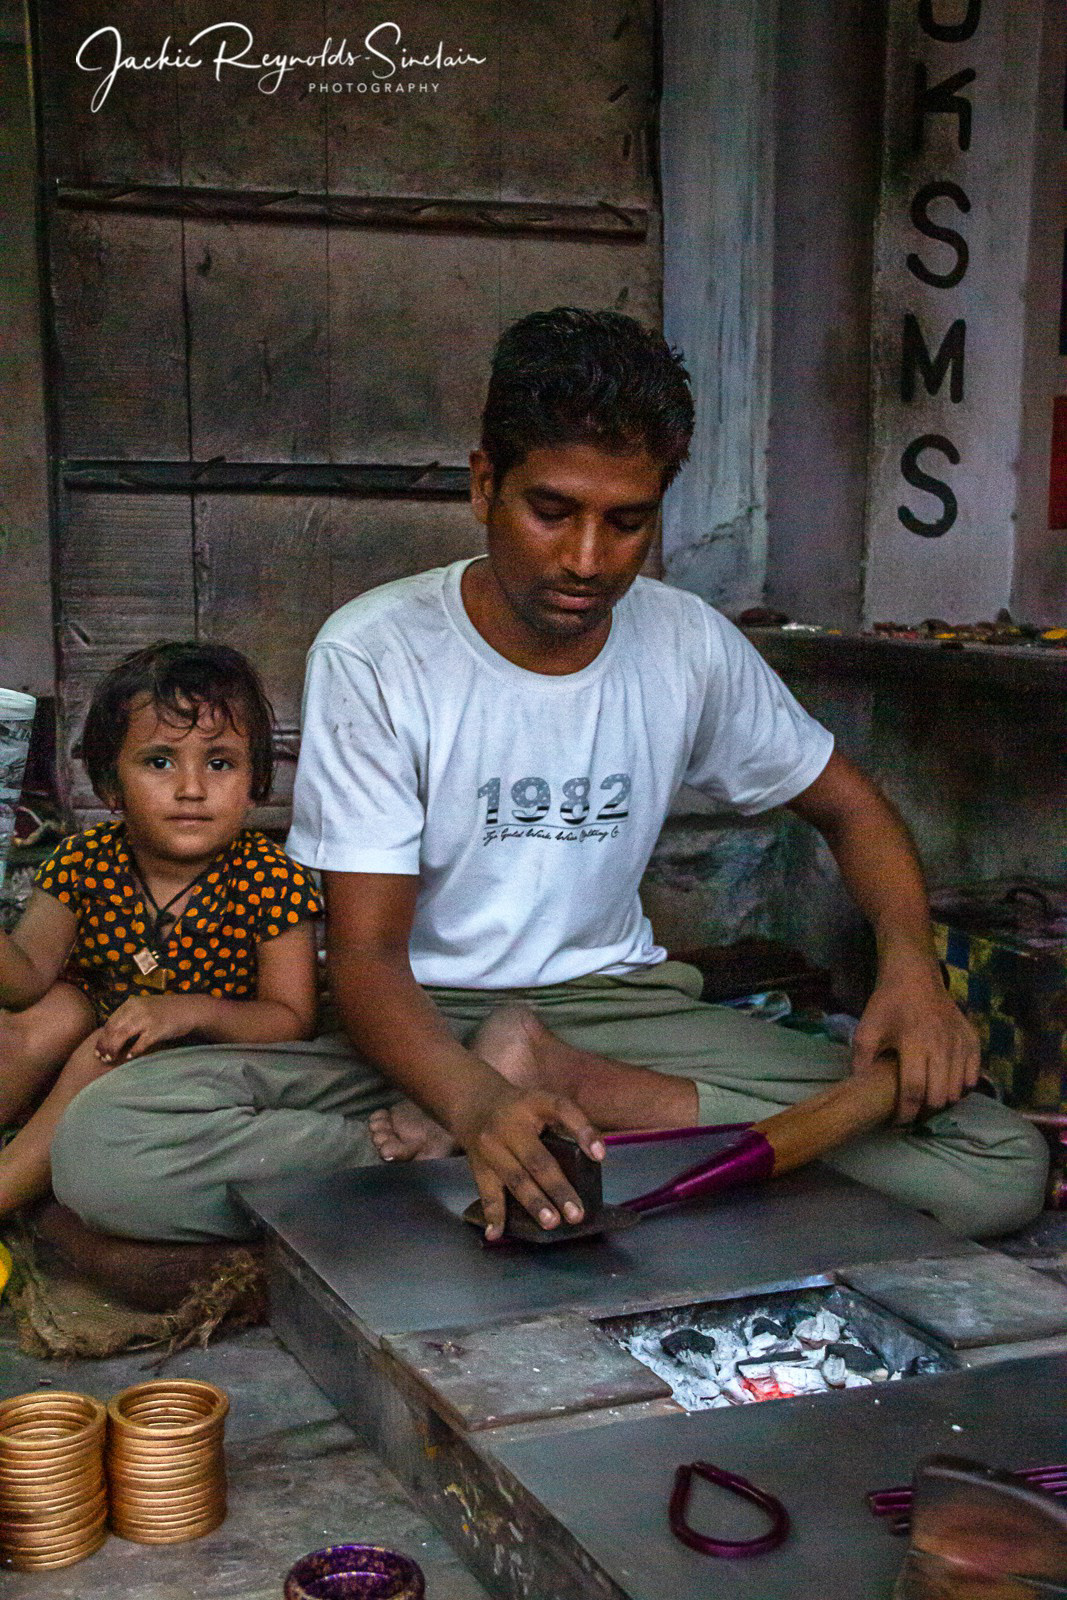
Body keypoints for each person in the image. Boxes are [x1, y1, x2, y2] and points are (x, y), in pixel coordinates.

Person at [50, 310, 1048, 1244]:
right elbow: (363, 962)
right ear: (483, 484)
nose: (584, 558)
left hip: (614, 1011)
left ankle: (560, 1116)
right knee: (109, 1148)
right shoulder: (377, 651)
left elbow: (852, 809)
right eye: (551, 510)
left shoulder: (685, 644)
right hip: (417, 1022)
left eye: (625, 522)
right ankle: (535, 1154)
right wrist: (472, 1100)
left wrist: (913, 969)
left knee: (992, 1159)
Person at [0, 642, 321, 1218]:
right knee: (57, 1010)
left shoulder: (272, 880)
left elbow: (292, 1020)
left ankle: (5, 1188)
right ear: (109, 787)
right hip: (91, 1034)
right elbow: (23, 983)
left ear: (255, 784)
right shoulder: (85, 861)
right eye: (160, 762)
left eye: (220, 763)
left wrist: (189, 1010)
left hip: (197, 1062)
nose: (192, 788)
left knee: (106, 1054)